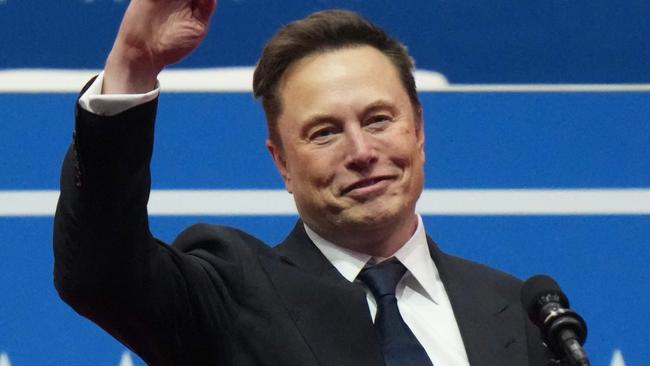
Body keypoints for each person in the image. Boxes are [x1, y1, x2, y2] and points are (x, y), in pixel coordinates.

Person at [54, 1, 553, 365]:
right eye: (325, 132)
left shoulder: (518, 310)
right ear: (282, 164)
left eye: (378, 119)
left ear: (419, 131)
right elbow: (100, 272)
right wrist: (132, 65)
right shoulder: (231, 295)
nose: (361, 153)